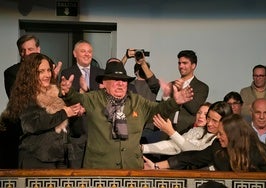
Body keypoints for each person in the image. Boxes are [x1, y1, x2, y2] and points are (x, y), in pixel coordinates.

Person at [59, 59, 194, 169]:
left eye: (123, 80)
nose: (120, 84)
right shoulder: (94, 98)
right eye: (115, 80)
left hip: (131, 168)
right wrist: (68, 92)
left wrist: (175, 101)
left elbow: (158, 110)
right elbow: (76, 99)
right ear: (104, 83)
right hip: (100, 169)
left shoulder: (137, 101)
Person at [1, 53, 85, 168]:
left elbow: (71, 127)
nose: (47, 75)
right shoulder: (26, 95)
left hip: (61, 158)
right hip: (37, 159)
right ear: (30, 74)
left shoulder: (57, 93)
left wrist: (75, 111)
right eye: (41, 71)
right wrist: (64, 113)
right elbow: (33, 124)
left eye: (48, 70)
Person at [144, 114, 266, 172]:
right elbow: (191, 158)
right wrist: (156, 166)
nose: (217, 136)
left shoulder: (259, 152)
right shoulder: (217, 147)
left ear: (233, 136)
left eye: (221, 134)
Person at [60, 40, 104, 168]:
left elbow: (103, 98)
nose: (87, 54)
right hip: (76, 130)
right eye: (83, 51)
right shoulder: (67, 73)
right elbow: (65, 98)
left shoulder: (101, 73)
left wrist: (87, 92)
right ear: (75, 54)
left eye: (89, 51)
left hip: (97, 129)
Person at [142, 101, 232, 156]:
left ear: (225, 121)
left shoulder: (220, 140)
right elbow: (174, 146)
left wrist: (172, 132)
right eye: (208, 118)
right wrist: (142, 148)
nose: (209, 123)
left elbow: (197, 155)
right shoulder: (197, 131)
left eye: (215, 121)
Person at [162, 50, 209, 135]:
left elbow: (194, 108)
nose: (181, 66)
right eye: (179, 63)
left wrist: (181, 90)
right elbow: (162, 108)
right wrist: (165, 96)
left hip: (186, 130)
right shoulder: (172, 85)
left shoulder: (202, 87)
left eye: (184, 63)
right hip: (167, 128)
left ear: (193, 65)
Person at [122, 49, 161, 143]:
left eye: (146, 68)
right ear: (135, 72)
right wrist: (126, 57)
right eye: (141, 68)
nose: (143, 69)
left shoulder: (153, 85)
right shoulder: (129, 84)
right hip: (130, 124)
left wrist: (143, 63)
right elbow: (115, 73)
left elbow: (153, 80)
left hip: (147, 126)